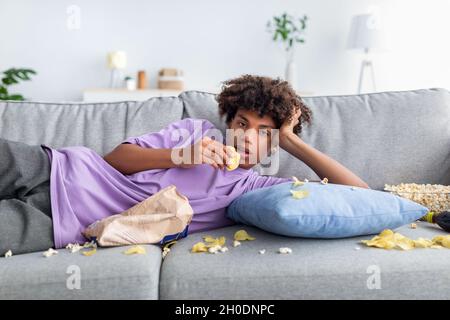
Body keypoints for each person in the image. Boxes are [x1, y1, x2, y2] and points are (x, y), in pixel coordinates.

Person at [0, 74, 369, 255]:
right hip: (52, 167)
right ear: (230, 121)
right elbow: (113, 161)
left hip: (61, 222)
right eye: (242, 123)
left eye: (264, 132)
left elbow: (361, 196)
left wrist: (290, 139)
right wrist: (181, 154)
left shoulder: (255, 189)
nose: (247, 136)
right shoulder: (194, 131)